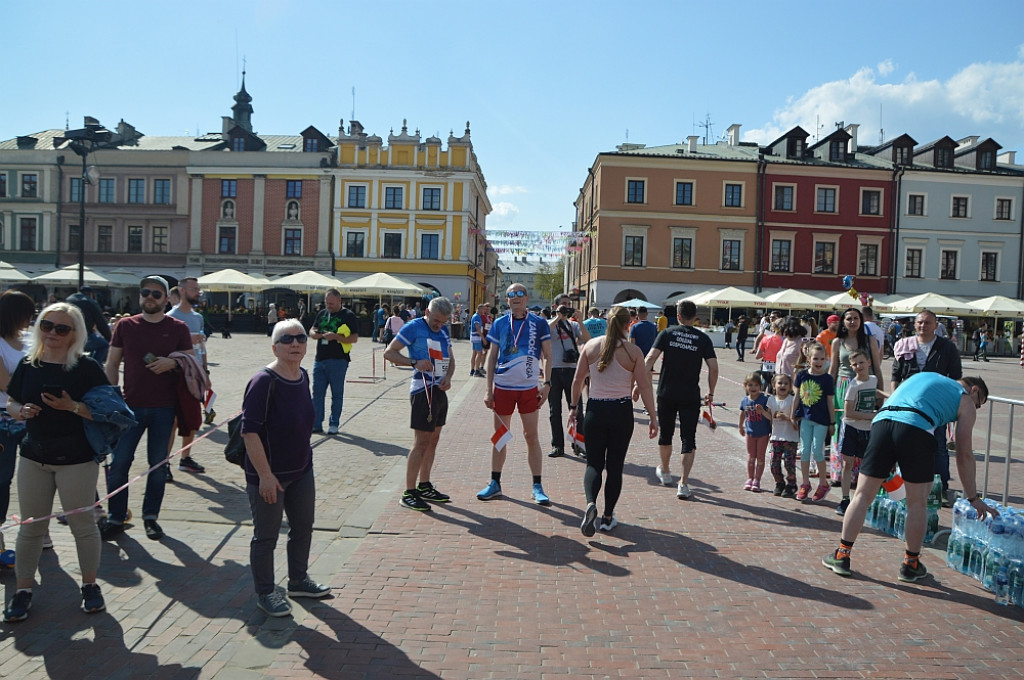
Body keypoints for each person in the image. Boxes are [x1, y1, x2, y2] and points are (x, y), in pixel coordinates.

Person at [823, 374, 994, 582]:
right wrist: (973, 498)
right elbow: (964, 453)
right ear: (974, 390)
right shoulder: (965, 398)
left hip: (882, 424)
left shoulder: (925, 377)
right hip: (917, 428)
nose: (975, 408)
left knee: (861, 495)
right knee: (917, 503)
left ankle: (842, 554)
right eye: (979, 405)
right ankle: (911, 564)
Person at [2, 304, 111, 622]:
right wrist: (20, 412)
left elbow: (107, 411)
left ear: (75, 333)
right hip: (34, 456)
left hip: (76, 459)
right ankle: (22, 591)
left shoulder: (87, 367)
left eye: (61, 328)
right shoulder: (29, 364)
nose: (52, 333)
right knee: (31, 527)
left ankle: (90, 586)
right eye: (47, 325)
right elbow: (11, 400)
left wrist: (72, 406)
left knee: (83, 526)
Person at [241, 319, 329, 617]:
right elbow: (249, 432)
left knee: (303, 527)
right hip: (269, 476)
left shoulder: (302, 375)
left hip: (301, 470)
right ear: (275, 346)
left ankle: (298, 580)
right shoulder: (264, 381)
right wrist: (265, 476)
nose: (295, 344)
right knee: (266, 535)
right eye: (287, 339)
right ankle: (265, 592)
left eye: (300, 338)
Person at [101, 276, 193, 542]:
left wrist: (171, 363)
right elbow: (111, 363)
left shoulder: (178, 327)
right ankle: (116, 517)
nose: (149, 297)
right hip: (129, 408)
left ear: (167, 299)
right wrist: (110, 399)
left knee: (158, 466)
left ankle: (151, 518)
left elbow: (189, 361)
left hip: (165, 407)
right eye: (145, 293)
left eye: (156, 293)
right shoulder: (125, 325)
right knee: (119, 464)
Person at [571, 306, 657, 535]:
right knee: (615, 467)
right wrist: (653, 417)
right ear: (628, 324)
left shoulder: (590, 346)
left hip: (595, 409)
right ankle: (608, 517)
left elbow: (578, 380)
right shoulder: (633, 351)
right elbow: (645, 387)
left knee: (594, 464)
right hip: (621, 411)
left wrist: (572, 408)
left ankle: (591, 503)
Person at [477, 283, 553, 505]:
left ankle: (537, 486)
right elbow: (491, 357)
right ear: (506, 299)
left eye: (520, 293)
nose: (516, 297)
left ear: (527, 298)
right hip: (503, 388)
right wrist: (487, 390)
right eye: (512, 294)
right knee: (500, 436)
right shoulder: (500, 323)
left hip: (529, 388)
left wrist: (547, 384)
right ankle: (495, 483)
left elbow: (548, 354)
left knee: (531, 436)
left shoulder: (539, 323)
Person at [383, 297, 455, 512]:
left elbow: (450, 359)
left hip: (439, 390)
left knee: (433, 440)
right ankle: (409, 492)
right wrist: (414, 362)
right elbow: (389, 352)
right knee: (421, 442)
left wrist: (449, 378)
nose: (438, 325)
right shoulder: (414, 327)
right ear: (427, 312)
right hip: (422, 390)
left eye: (443, 322)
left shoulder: (443, 331)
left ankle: (424, 485)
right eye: (435, 320)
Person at [642, 300, 718, 499]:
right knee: (688, 438)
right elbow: (713, 367)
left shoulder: (666, 333)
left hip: (666, 392)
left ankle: (666, 471)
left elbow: (650, 358)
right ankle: (683, 483)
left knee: (665, 434)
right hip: (690, 395)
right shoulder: (702, 338)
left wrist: (638, 382)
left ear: (678, 316)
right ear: (695, 317)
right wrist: (711, 391)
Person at [891, 309, 962, 505]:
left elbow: (956, 377)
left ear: (936, 325)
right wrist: (894, 401)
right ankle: (903, 487)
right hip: (908, 405)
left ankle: (940, 488)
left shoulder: (946, 347)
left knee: (938, 446)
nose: (923, 326)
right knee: (905, 446)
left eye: (927, 322)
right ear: (915, 324)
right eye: (920, 322)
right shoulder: (904, 345)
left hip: (936, 406)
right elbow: (896, 376)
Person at [0, 292, 35, 563]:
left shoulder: (26, 340)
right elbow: (7, 384)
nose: (31, 319)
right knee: (2, 478)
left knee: (35, 477)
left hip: (31, 417)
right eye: (28, 313)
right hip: (4, 419)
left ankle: (36, 530)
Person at [829, 307, 883, 484]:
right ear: (843, 322)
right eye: (848, 318)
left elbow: (877, 366)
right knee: (841, 427)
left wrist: (880, 394)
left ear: (861, 321)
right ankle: (839, 473)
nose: (852, 321)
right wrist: (828, 393)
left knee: (862, 427)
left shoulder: (870, 340)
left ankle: (858, 474)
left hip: (866, 386)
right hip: (843, 386)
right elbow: (833, 369)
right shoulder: (837, 342)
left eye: (856, 318)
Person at [166, 277, 208, 474]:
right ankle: (164, 463)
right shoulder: (170, 317)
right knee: (173, 421)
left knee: (192, 419)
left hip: (196, 373)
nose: (198, 292)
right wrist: (189, 339)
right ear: (182, 291)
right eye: (194, 289)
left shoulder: (198, 317)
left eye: (198, 289)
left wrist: (205, 371)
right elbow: (166, 348)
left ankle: (185, 457)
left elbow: (202, 348)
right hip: (177, 374)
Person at [837, 349, 884, 516]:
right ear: (851, 366)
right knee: (847, 464)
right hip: (850, 428)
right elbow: (848, 412)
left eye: (861, 362)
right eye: (855, 364)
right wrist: (873, 415)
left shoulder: (873, 379)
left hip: (867, 430)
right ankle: (844, 499)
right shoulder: (853, 386)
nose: (858, 366)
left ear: (869, 362)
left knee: (866, 465)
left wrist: (890, 396)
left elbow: (875, 393)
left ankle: (863, 498)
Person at [309, 289, 359, 436]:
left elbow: (354, 338)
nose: (328, 306)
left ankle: (334, 423)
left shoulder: (348, 315)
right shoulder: (322, 313)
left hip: (338, 360)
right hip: (320, 359)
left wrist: (336, 337)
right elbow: (313, 328)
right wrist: (313, 334)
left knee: (336, 393)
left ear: (339, 301)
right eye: (327, 303)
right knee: (317, 393)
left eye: (331, 303)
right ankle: (316, 424)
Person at [791, 342, 835, 503]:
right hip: (805, 418)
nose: (818, 362)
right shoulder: (802, 375)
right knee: (804, 451)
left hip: (822, 420)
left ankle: (823, 483)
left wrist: (832, 422)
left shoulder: (827, 379)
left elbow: (830, 402)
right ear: (809, 359)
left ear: (826, 360)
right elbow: (797, 396)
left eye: (822, 359)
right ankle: (805, 483)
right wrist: (792, 415)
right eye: (815, 358)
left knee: (817, 451)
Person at [547, 305, 587, 458]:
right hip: (554, 370)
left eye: (566, 309)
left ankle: (579, 445)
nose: (564, 312)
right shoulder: (549, 323)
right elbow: (544, 333)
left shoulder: (574, 325)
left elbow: (586, 340)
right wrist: (557, 318)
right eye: (561, 308)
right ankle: (557, 445)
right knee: (554, 411)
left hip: (572, 371)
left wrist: (581, 322)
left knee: (577, 410)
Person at [767, 374, 799, 497]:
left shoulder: (792, 400)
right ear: (774, 386)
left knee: (789, 463)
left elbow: (797, 422)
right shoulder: (771, 400)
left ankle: (791, 484)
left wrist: (787, 418)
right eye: (780, 383)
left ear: (790, 386)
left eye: (786, 383)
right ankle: (779, 482)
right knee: (774, 463)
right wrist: (762, 412)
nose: (783, 385)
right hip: (776, 437)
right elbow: (770, 418)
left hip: (790, 438)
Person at [739, 372, 772, 492]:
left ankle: (757, 480)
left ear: (761, 387)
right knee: (751, 456)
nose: (753, 388)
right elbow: (742, 413)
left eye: (756, 385)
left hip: (763, 433)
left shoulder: (765, 400)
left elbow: (770, 417)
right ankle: (750, 478)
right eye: (750, 385)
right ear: (746, 386)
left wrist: (763, 412)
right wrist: (740, 426)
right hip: (750, 433)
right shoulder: (744, 401)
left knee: (760, 457)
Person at [66, 286, 111, 365]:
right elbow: (101, 322)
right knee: (104, 345)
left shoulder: (68, 300)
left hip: (67, 334)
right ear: (91, 294)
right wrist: (109, 338)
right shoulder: (90, 302)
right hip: (85, 335)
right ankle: (94, 365)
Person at [470, 303, 489, 377]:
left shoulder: (477, 316)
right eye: (483, 309)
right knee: (479, 353)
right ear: (480, 309)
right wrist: (483, 338)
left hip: (474, 337)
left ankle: (472, 370)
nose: (484, 311)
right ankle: (477, 370)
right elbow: (477, 328)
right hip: (477, 337)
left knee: (474, 353)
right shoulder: (477, 317)